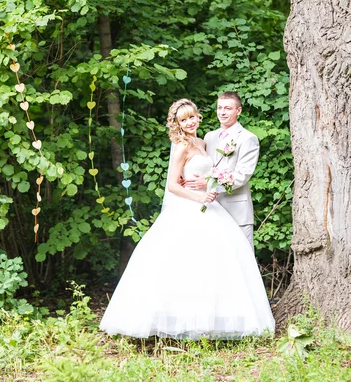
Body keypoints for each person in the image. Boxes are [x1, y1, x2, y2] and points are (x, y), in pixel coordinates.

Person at [99, 98, 274, 340]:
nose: (189, 122)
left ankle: (214, 320)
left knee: (213, 266)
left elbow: (224, 173)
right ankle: (177, 321)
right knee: (183, 263)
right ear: (178, 124)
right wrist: (198, 197)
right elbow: (172, 185)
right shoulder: (181, 146)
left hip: (213, 206)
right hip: (192, 206)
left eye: (192, 117)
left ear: (198, 116)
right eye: (184, 120)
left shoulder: (204, 141)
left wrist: (209, 186)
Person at [183, 92, 258, 248]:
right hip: (210, 209)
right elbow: (203, 164)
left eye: (228, 108)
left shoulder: (247, 138)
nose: (222, 112)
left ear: (238, 111)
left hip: (236, 209)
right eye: (220, 108)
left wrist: (209, 184)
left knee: (242, 258)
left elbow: (242, 176)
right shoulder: (209, 137)